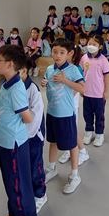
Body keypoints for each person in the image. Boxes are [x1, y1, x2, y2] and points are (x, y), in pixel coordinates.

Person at [0, 46, 45, 216]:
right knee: (11, 184)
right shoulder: (8, 83)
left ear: (10, 64)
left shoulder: (16, 88)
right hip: (5, 143)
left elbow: (28, 117)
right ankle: (15, 214)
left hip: (14, 145)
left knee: (20, 187)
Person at [42, 39, 86, 194]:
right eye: (55, 52)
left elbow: (83, 88)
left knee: (72, 145)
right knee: (52, 141)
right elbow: (49, 84)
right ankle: (51, 168)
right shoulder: (49, 69)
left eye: (62, 52)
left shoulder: (73, 70)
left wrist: (65, 80)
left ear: (69, 54)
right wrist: (45, 83)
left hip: (66, 114)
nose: (57, 55)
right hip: (51, 112)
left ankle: (75, 175)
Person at [19, 58, 47, 213]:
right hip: (20, 136)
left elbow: (35, 119)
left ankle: (40, 194)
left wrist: (26, 135)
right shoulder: (12, 87)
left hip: (33, 136)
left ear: (23, 71)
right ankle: (29, 191)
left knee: (35, 165)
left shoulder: (33, 90)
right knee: (24, 166)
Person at [80, 35, 109, 147]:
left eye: (94, 44)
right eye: (90, 44)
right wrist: (81, 88)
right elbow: (81, 74)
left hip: (98, 94)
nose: (91, 46)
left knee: (99, 115)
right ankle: (88, 132)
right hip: (86, 93)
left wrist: (106, 91)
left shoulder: (103, 60)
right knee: (87, 114)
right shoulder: (84, 58)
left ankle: (99, 134)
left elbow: (107, 77)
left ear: (100, 46)